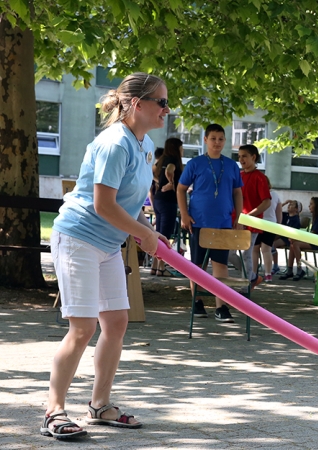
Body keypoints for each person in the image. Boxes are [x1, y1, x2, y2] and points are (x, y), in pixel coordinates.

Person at [43, 72, 170, 440]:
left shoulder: (143, 144)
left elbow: (130, 203)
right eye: (161, 102)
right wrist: (142, 232)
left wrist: (148, 228)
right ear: (137, 104)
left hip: (108, 243)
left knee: (115, 322)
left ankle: (99, 404)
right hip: (79, 238)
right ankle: (53, 410)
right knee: (83, 328)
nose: (166, 109)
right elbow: (102, 205)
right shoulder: (115, 143)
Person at [177, 124, 243, 323]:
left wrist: (239, 218)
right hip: (199, 222)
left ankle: (221, 306)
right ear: (205, 140)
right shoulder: (195, 164)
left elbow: (237, 192)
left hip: (222, 222)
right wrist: (184, 214)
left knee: (220, 265)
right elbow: (181, 189)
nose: (217, 143)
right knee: (198, 265)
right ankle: (197, 301)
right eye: (213, 138)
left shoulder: (231, 165)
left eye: (221, 139)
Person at [236, 144, 272, 289]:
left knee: (247, 254)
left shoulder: (260, 177)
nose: (241, 159)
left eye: (244, 156)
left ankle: (245, 289)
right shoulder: (238, 175)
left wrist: (249, 216)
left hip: (252, 223)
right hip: (236, 221)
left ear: (253, 157)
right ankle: (252, 276)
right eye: (239, 156)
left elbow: (267, 202)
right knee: (229, 253)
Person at [149, 138, 183, 276]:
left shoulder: (161, 159)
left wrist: (160, 183)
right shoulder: (173, 161)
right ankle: (161, 267)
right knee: (164, 236)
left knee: (159, 234)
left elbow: (152, 171)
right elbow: (170, 170)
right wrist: (171, 183)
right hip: (168, 201)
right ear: (177, 148)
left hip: (158, 199)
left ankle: (154, 265)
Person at [288, 197, 318, 281]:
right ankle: (290, 270)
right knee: (293, 243)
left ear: (317, 206)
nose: (309, 206)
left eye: (311, 204)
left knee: (295, 244)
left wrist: (299, 238)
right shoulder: (317, 217)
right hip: (314, 241)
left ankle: (299, 270)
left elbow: (313, 234)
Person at [252, 176, 282, 282]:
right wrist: (279, 224)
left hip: (257, 223)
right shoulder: (275, 194)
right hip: (271, 224)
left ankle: (253, 274)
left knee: (254, 250)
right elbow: (279, 212)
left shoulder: (256, 193)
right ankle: (268, 274)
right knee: (267, 250)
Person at [277, 200, 303, 279]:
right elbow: (277, 209)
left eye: (291, 205)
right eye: (289, 204)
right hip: (283, 237)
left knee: (272, 245)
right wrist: (284, 203)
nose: (289, 206)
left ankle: (276, 267)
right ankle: (289, 270)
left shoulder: (296, 219)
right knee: (269, 242)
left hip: (288, 239)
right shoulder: (286, 215)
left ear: (296, 209)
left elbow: (294, 233)